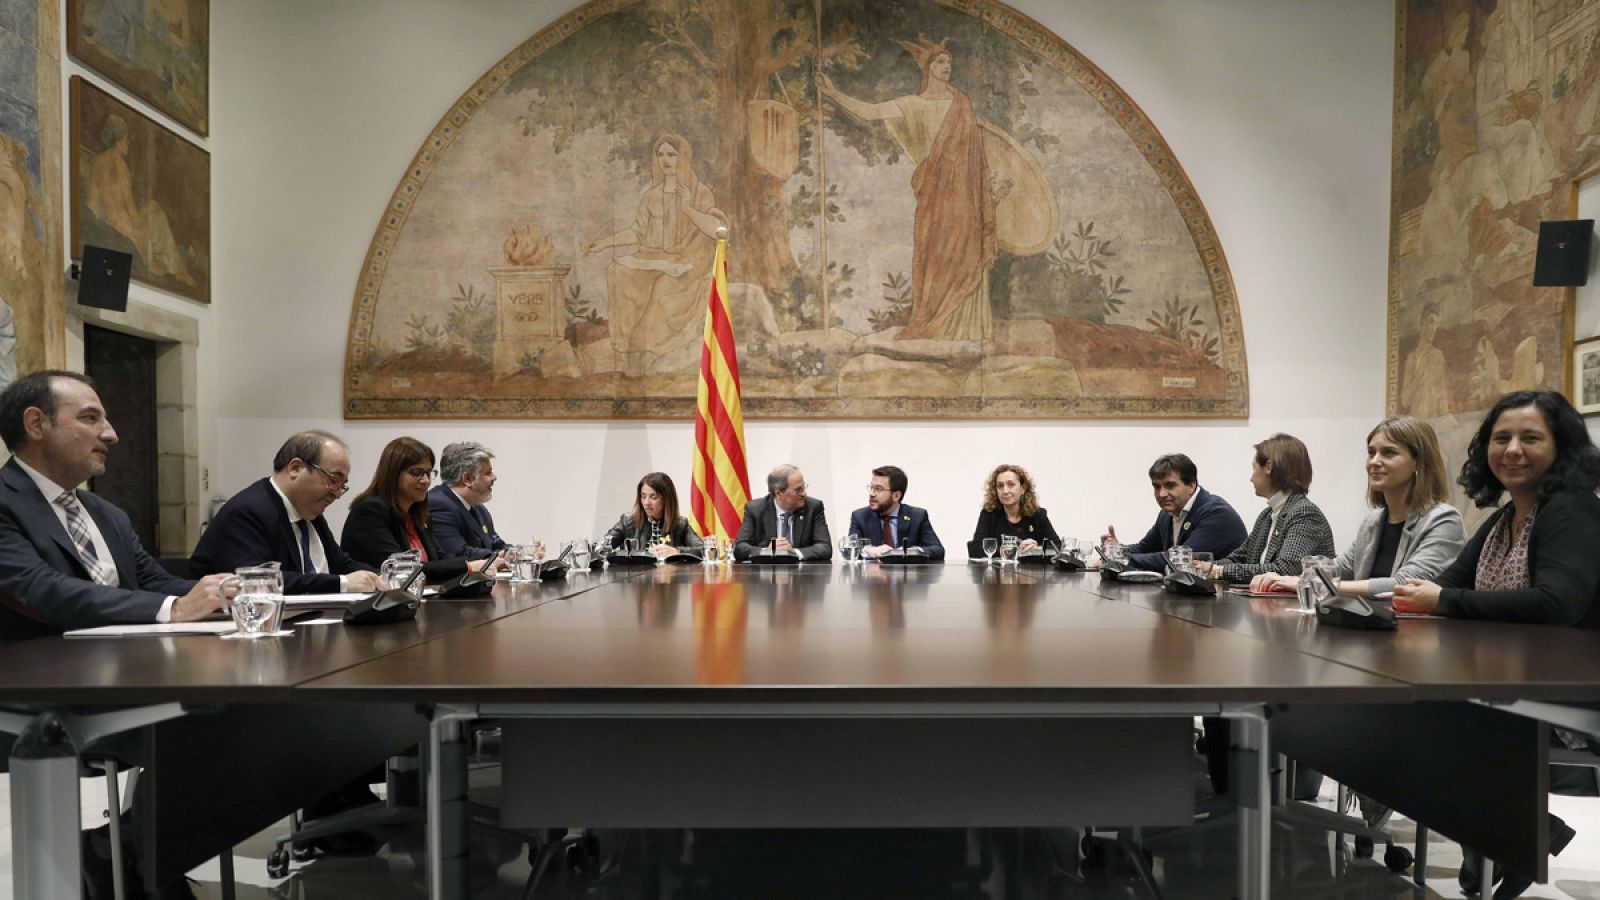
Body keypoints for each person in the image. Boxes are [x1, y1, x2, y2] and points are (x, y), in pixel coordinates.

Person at [1394, 390, 1600, 898]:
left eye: (1531, 438)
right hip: (1512, 678)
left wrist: (1443, 600)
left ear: (1561, 447)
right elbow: (1444, 587)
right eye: (1501, 438)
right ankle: (1508, 835)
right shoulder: (1505, 518)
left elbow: (1556, 604)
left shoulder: (1571, 511)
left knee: (1428, 713)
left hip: (1571, 689)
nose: (1512, 449)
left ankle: (1511, 833)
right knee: (1403, 706)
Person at [0, 370, 232, 640]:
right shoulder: (6, 501)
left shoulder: (107, 513)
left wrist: (227, 592)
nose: (111, 435)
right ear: (36, 424)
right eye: (90, 418)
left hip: (128, 664)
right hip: (38, 672)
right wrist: (175, 608)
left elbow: (152, 582)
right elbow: (40, 589)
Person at [820, 37, 996, 341]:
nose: (947, 67)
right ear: (926, 67)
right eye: (940, 62)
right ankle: (934, 322)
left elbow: (976, 157)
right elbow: (870, 112)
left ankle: (966, 329)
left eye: (949, 62)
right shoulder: (912, 105)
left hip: (964, 198)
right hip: (934, 195)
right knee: (935, 256)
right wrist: (833, 93)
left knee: (965, 255)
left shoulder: (961, 105)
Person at [1252, 417, 1464, 599]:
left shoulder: (1444, 521)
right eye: (1371, 453)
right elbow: (1340, 569)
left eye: (1388, 453)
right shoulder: (1374, 521)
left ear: (1419, 462)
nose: (1375, 461)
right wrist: (1289, 578)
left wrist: (1310, 584)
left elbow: (1404, 585)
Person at [586, 133, 729, 372]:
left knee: (664, 285)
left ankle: (653, 349)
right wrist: (604, 243)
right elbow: (637, 232)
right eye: (660, 154)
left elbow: (718, 231)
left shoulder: (699, 193)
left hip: (689, 262)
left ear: (683, 157)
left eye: (671, 154)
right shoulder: (652, 196)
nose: (666, 160)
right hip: (657, 257)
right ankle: (627, 347)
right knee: (615, 270)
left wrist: (687, 207)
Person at [191, 430, 382, 594]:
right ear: (295, 468)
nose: (337, 493)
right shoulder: (247, 512)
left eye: (342, 486)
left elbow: (341, 564)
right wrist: (342, 583)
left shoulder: (310, 512)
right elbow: (257, 582)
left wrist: (381, 578)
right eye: (333, 480)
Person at [341, 437, 502, 582]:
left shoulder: (417, 511)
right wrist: (467, 567)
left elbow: (439, 557)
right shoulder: (371, 510)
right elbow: (401, 569)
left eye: (428, 472)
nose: (425, 480)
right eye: (416, 473)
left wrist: (475, 564)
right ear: (393, 473)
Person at [1208, 434, 1335, 583]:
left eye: (1254, 468)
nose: (1251, 478)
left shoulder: (1305, 513)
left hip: (1299, 605)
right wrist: (1205, 567)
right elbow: (1240, 557)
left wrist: (1219, 571)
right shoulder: (1267, 515)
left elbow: (1285, 570)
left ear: (1268, 467)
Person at [1103, 453, 1247, 573]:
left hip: (1225, 600)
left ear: (1191, 485)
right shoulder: (1167, 514)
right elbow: (1144, 548)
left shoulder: (1217, 514)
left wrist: (1122, 559)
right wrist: (1117, 550)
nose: (1162, 494)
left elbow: (1177, 560)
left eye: (1170, 485)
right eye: (1157, 487)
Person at [733, 464, 832, 561]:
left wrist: (793, 552)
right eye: (798, 490)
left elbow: (825, 548)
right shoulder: (755, 509)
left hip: (802, 574)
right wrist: (767, 551)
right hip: (766, 575)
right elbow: (740, 548)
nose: (804, 493)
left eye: (803, 487)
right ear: (779, 493)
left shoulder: (813, 507)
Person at [428, 441, 506, 560]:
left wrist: (517, 553)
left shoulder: (478, 507)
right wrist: (498, 557)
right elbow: (458, 553)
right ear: (468, 479)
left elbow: (497, 544)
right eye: (488, 473)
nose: (494, 477)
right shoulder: (438, 504)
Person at [847, 465, 945, 559]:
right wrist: (869, 550)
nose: (872, 493)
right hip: (873, 575)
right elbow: (850, 549)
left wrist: (911, 552)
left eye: (878, 489)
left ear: (896, 496)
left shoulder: (917, 516)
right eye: (871, 488)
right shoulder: (860, 517)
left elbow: (938, 550)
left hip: (906, 575)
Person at [601, 472, 704, 558]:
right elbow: (601, 548)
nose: (646, 502)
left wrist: (677, 552)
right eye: (643, 496)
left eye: (653, 497)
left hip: (669, 580)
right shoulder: (628, 522)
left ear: (666, 500)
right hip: (636, 580)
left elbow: (704, 550)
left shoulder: (680, 525)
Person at [967, 464, 1059, 558]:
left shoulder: (1038, 515)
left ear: (1023, 488)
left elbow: (1057, 548)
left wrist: (1037, 549)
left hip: (1030, 572)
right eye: (1000, 486)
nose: (1005, 491)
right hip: (997, 572)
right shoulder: (989, 514)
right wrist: (1016, 550)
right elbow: (976, 549)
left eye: (1011, 485)